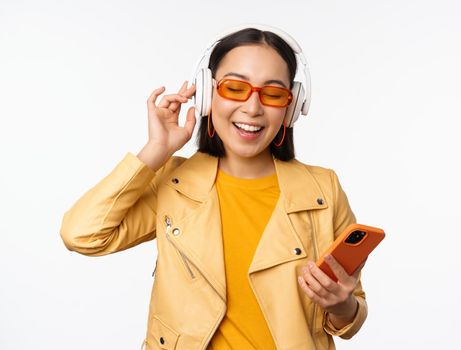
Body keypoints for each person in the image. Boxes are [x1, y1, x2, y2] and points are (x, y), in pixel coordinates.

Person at [60, 24, 368, 349]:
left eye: (273, 94)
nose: (252, 108)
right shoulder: (174, 183)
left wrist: (340, 304)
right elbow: (82, 235)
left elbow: (349, 318)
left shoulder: (323, 189)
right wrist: (156, 150)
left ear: (291, 108)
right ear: (208, 94)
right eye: (235, 88)